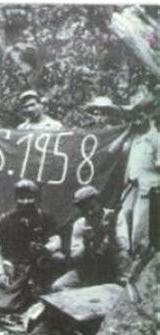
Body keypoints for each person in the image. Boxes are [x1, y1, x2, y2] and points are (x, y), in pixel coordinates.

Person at [0, 180, 64, 311]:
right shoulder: (7, 220)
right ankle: (23, 293)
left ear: (36, 199)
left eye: (30, 198)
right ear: (16, 199)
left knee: (58, 258)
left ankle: (44, 291)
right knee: (6, 305)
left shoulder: (45, 217)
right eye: (22, 198)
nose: (26, 202)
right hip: (17, 267)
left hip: (39, 264)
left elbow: (56, 239)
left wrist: (46, 248)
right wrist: (0, 273)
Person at [52, 186, 131, 291]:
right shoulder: (80, 225)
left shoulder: (115, 217)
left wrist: (111, 234)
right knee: (59, 286)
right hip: (89, 267)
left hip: (112, 266)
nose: (90, 212)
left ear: (99, 203)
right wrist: (87, 243)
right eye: (84, 210)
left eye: (92, 207)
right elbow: (75, 256)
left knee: (124, 263)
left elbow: (124, 245)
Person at [116, 110, 160, 254]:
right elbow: (112, 151)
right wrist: (127, 131)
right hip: (130, 187)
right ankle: (127, 256)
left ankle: (140, 258)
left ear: (149, 116)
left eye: (141, 117)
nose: (137, 121)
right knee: (124, 221)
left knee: (140, 227)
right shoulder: (135, 139)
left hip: (148, 189)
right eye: (134, 118)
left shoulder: (156, 138)